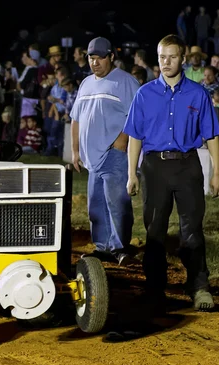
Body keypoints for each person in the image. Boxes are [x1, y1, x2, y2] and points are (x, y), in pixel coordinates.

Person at [124, 34, 219, 312]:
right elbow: (134, 137)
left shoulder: (198, 93)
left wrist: (217, 172)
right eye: (161, 57)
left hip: (187, 166)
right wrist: (132, 173)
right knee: (155, 230)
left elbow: (212, 135)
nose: (166, 62)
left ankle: (199, 286)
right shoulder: (144, 94)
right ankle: (155, 288)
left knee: (192, 229)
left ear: (182, 59)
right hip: (154, 168)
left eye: (172, 57)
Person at [70, 37, 140, 265]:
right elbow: (75, 118)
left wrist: (122, 139)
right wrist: (75, 151)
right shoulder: (86, 83)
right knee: (96, 204)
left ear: (111, 57)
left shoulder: (125, 81)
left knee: (117, 202)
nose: (95, 62)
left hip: (114, 152)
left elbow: (137, 115)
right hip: (92, 157)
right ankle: (102, 247)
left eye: (100, 57)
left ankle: (120, 247)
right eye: (91, 57)